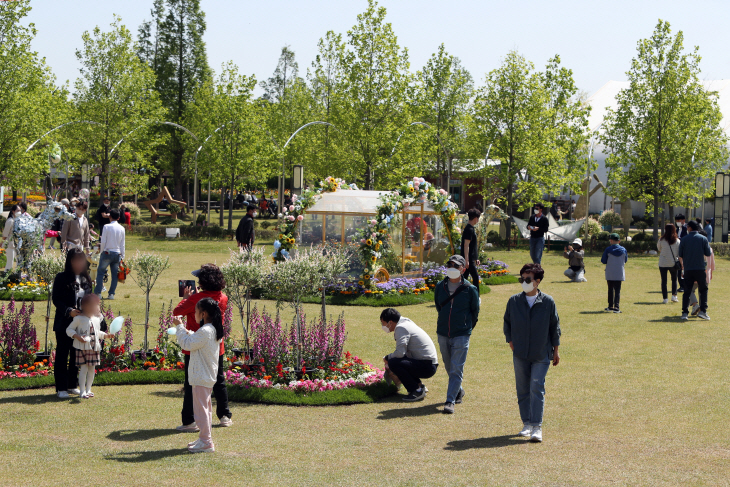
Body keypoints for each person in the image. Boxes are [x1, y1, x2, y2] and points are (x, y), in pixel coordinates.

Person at [503, 263, 561, 443]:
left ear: (538, 281)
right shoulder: (514, 301)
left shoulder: (548, 302)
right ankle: (526, 423)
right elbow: (507, 323)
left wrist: (556, 350)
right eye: (522, 279)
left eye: (527, 279)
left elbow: (555, 327)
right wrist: (511, 342)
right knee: (522, 389)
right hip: (520, 353)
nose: (524, 282)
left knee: (536, 387)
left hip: (541, 354)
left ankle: (537, 426)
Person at [174, 264, 233, 431]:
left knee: (191, 382)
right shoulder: (223, 297)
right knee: (219, 379)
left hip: (196, 344)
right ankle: (224, 416)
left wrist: (186, 298)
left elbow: (177, 311)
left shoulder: (196, 300)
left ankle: (189, 420)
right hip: (215, 344)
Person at [174, 297, 223, 454]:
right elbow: (196, 340)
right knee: (205, 409)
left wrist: (180, 327)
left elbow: (187, 344)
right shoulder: (211, 329)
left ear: (203, 314)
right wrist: (189, 332)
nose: (193, 314)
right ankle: (204, 438)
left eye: (195, 311)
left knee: (201, 410)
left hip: (202, 376)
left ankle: (206, 441)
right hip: (205, 376)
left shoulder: (206, 330)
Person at [434, 255, 480, 414]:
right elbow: (439, 307)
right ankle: (458, 390)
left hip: (462, 333)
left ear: (463, 269)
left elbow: (475, 312)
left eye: (456, 265)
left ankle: (450, 400)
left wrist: (466, 327)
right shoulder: (440, 286)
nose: (452, 267)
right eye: (449, 264)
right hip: (443, 332)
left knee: (456, 368)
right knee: (448, 365)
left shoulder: (470, 289)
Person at [52, 249, 93, 398]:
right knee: (62, 354)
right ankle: (61, 388)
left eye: (81, 260)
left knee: (77, 355)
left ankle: (71, 385)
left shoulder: (86, 279)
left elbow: (89, 300)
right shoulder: (61, 278)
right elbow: (56, 299)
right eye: (75, 260)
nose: (78, 263)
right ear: (69, 262)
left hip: (81, 325)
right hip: (64, 323)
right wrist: (69, 310)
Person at [380, 308, 439, 402]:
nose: (383, 326)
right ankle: (419, 386)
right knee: (399, 361)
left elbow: (400, 353)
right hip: (429, 363)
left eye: (383, 323)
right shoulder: (405, 322)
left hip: (427, 366)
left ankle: (416, 390)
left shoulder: (401, 328)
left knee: (393, 363)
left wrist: (387, 357)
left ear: (390, 322)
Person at [66, 293, 108, 399]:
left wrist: (106, 335)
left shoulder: (96, 319)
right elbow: (69, 330)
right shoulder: (79, 319)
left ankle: (89, 389)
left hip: (94, 347)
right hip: (82, 347)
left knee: (91, 369)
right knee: (84, 369)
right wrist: (77, 336)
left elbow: (97, 332)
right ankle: (82, 391)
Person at [678, 220, 711, 321]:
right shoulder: (703, 239)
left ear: (690, 228)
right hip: (700, 268)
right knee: (703, 290)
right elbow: (708, 253)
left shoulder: (684, 239)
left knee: (687, 291)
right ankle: (703, 311)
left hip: (688, 268)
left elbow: (680, 254)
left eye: (687, 227)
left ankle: (684, 313)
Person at [94, 209, 125, 300]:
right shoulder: (122, 228)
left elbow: (103, 241)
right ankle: (111, 294)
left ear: (110, 216)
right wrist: (123, 255)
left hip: (107, 252)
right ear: (119, 218)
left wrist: (101, 251)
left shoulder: (106, 226)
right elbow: (122, 244)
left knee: (100, 272)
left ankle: (98, 292)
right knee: (115, 275)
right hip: (117, 253)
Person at [601, 233, 627, 313]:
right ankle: (617, 307)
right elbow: (625, 260)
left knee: (610, 289)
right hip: (619, 272)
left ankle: (610, 306)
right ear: (619, 241)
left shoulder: (608, 249)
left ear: (611, 240)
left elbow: (603, 261)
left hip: (610, 272)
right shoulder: (623, 250)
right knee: (617, 290)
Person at [657, 224, 680, 304]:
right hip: (673, 262)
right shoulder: (677, 241)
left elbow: (659, 249)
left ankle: (665, 298)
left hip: (663, 262)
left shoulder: (661, 240)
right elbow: (678, 252)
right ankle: (674, 296)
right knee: (674, 279)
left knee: (664, 281)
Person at [460, 208, 481, 288]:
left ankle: (461, 293)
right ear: (476, 218)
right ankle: (476, 296)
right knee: (475, 277)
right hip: (468, 259)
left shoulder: (471, 228)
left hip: (471, 258)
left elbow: (473, 246)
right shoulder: (469, 229)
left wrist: (476, 258)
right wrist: (466, 260)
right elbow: (466, 245)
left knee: (464, 278)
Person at [2, 204, 20, 272]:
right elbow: (5, 235)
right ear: (13, 211)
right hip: (10, 245)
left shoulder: (16, 220)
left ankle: (16, 275)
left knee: (18, 261)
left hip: (15, 244)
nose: (19, 212)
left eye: (20, 210)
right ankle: (5, 277)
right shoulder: (10, 221)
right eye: (18, 210)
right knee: (10, 262)